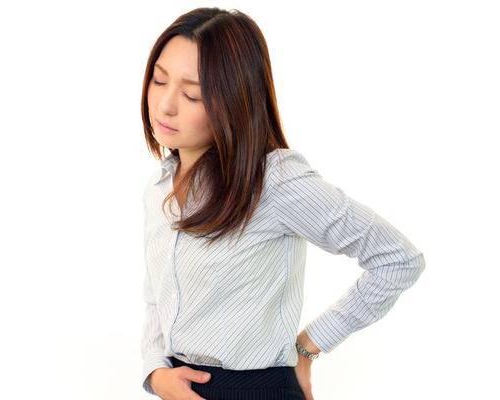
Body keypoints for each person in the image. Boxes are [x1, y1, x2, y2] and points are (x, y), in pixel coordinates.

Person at [139, 7, 426, 400]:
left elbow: (397, 259)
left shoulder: (274, 181)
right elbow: (156, 297)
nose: (165, 105)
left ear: (233, 102)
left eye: (193, 94)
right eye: (159, 80)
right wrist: (156, 371)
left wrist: (308, 347)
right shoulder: (159, 189)